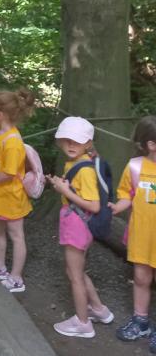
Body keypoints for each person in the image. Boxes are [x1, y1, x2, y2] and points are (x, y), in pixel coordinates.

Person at [46, 117, 114, 338]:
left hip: (77, 225)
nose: (71, 144)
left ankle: (83, 323)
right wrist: (62, 186)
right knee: (76, 271)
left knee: (75, 275)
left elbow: (94, 205)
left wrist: (65, 192)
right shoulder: (76, 163)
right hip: (77, 223)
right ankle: (99, 310)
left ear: (88, 143)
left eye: (77, 140)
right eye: (67, 140)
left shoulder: (85, 169)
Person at [0, 88, 35, 292]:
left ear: (0, 114)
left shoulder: (12, 142)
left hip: (12, 196)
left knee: (16, 235)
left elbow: (10, 173)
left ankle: (16, 277)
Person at [111, 115, 156, 350]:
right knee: (141, 277)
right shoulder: (135, 166)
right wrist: (117, 206)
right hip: (142, 235)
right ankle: (141, 321)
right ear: (151, 144)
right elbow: (126, 194)